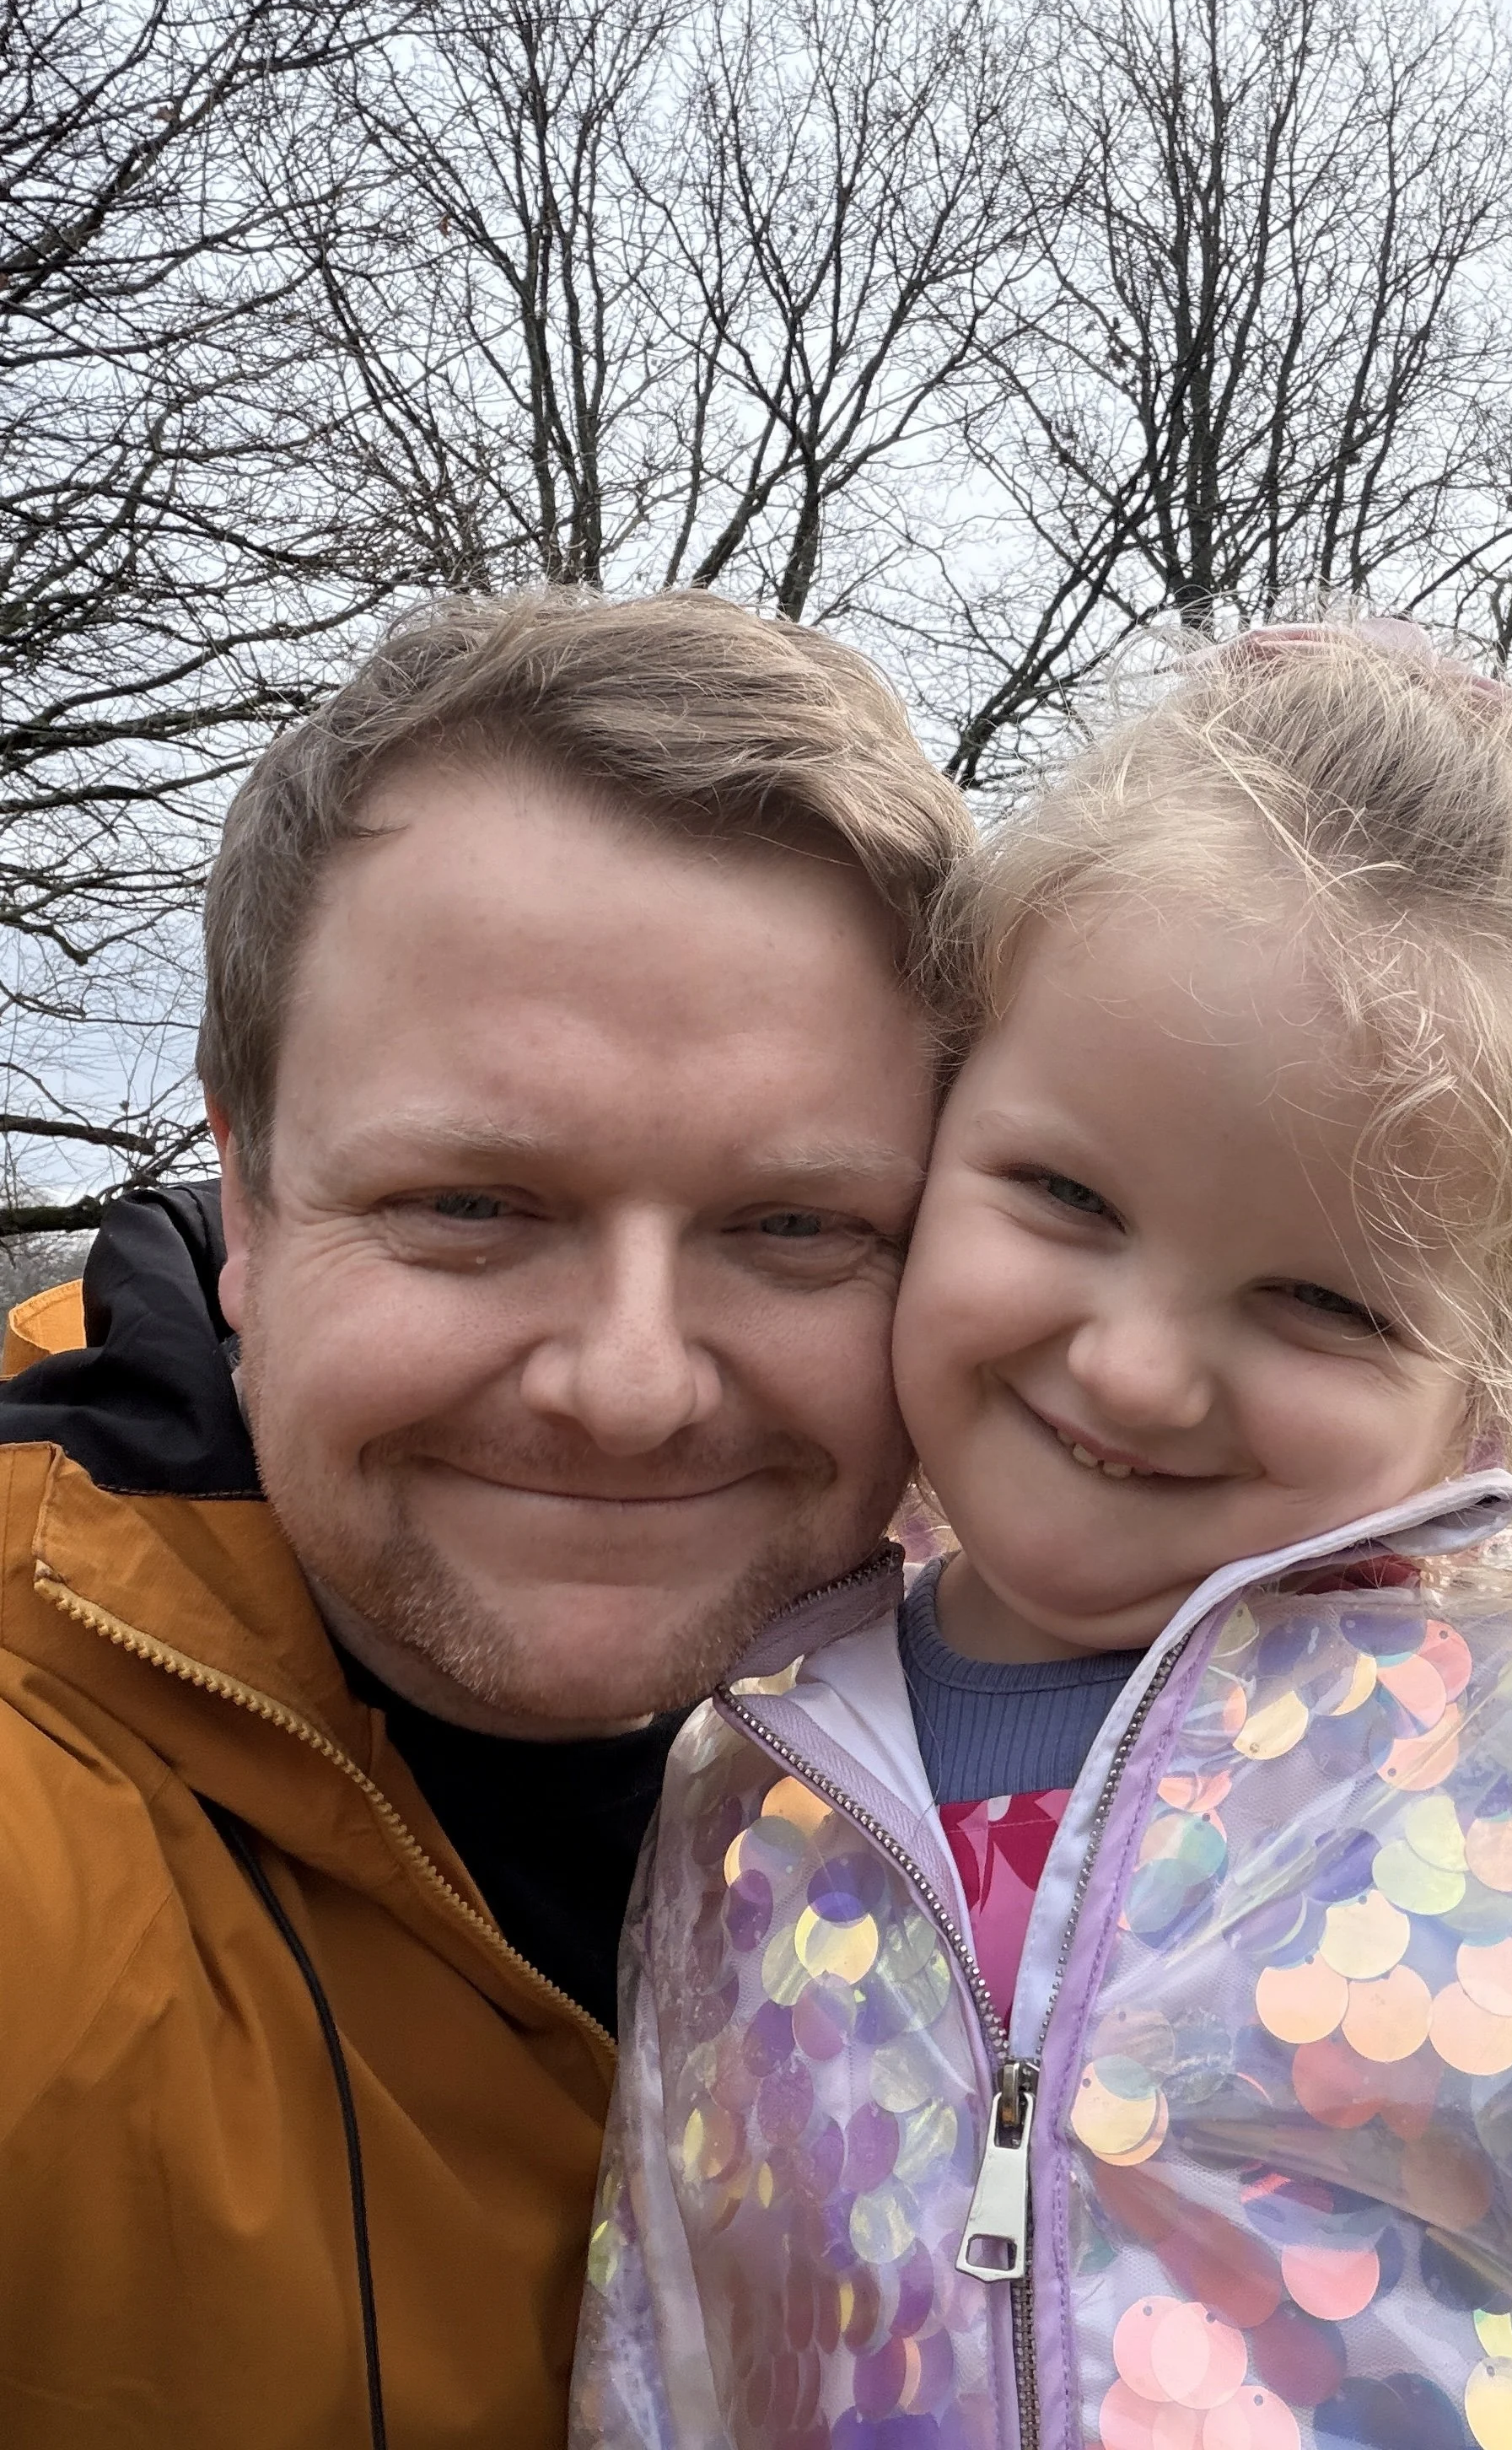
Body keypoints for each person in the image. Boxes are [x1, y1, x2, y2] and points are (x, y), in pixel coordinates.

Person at [578, 621, 1512, 2450]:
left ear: (1490, 1366)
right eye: (1065, 1193)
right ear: (927, 1133)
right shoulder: (743, 1776)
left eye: (1320, 1300)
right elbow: (658, 2352)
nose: (1139, 1372)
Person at [0, 585, 973, 2449]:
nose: (629, 1381)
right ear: (250, 1196)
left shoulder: (1104, 1815)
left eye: (795, 1225)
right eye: (469, 1202)